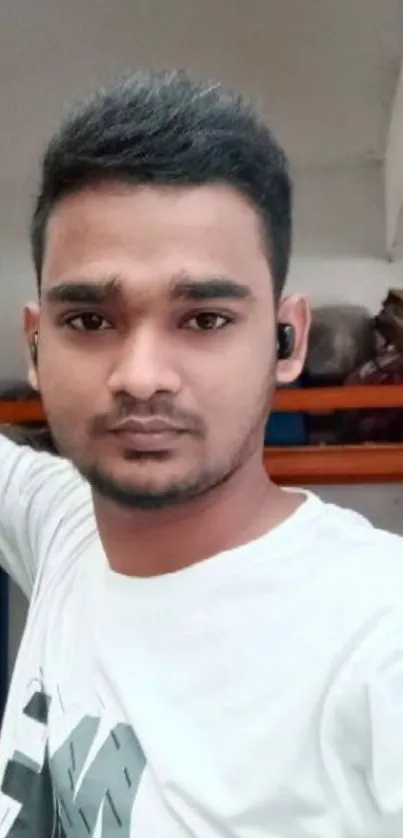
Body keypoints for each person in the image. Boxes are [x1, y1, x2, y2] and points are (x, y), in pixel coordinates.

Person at [0, 70, 403, 838]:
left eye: (205, 319)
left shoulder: (377, 636)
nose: (141, 377)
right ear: (35, 345)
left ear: (289, 341)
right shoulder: (64, 529)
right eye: (88, 320)